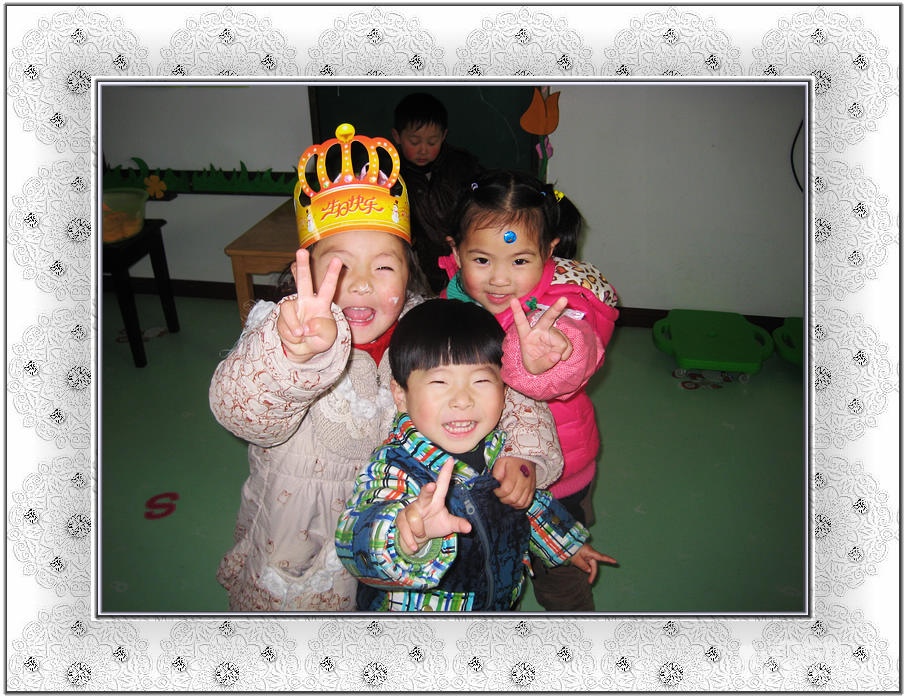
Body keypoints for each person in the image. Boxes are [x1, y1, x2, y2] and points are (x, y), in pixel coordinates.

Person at [209, 125, 564, 611]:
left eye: (383, 267)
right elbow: (243, 415)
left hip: (407, 522)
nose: (360, 285)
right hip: (301, 533)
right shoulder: (283, 332)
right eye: (338, 267)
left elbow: (500, 387)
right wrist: (293, 355)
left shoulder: (426, 324)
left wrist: (523, 455)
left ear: (408, 270)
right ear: (305, 270)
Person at [335, 299, 617, 611]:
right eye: (440, 382)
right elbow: (352, 542)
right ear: (400, 395)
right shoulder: (394, 468)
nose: (462, 400)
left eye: (481, 381)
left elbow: (528, 505)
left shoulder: (502, 452)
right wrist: (404, 536)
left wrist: (566, 546)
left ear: (504, 391)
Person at [441, 169, 620, 611]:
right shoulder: (451, 299)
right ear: (456, 251)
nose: (500, 279)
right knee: (486, 564)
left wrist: (545, 361)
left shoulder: (567, 302)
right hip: (483, 476)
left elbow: (577, 357)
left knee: (561, 572)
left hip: (557, 479)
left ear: (549, 251)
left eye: (519, 261)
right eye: (482, 260)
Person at [391, 92, 484, 294]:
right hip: (422, 262)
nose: (423, 150)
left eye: (432, 142)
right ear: (397, 136)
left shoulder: (462, 166)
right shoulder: (393, 174)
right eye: (414, 142)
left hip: (464, 252)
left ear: (443, 136)